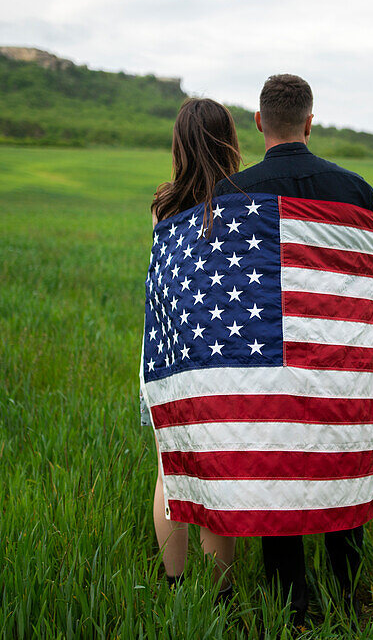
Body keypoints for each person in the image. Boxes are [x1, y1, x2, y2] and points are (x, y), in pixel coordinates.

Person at [213, 74, 373, 623]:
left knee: (279, 478)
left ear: (258, 123)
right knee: (340, 468)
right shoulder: (356, 191)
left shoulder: (230, 193)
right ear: (311, 121)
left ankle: (296, 610)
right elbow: (365, 286)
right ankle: (353, 599)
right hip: (340, 362)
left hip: (268, 366)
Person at [142, 97, 242, 597]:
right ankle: (222, 593)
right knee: (217, 477)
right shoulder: (245, 205)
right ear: (230, 142)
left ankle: (176, 587)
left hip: (168, 360)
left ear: (179, 145)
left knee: (170, 474)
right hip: (224, 364)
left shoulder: (165, 207)